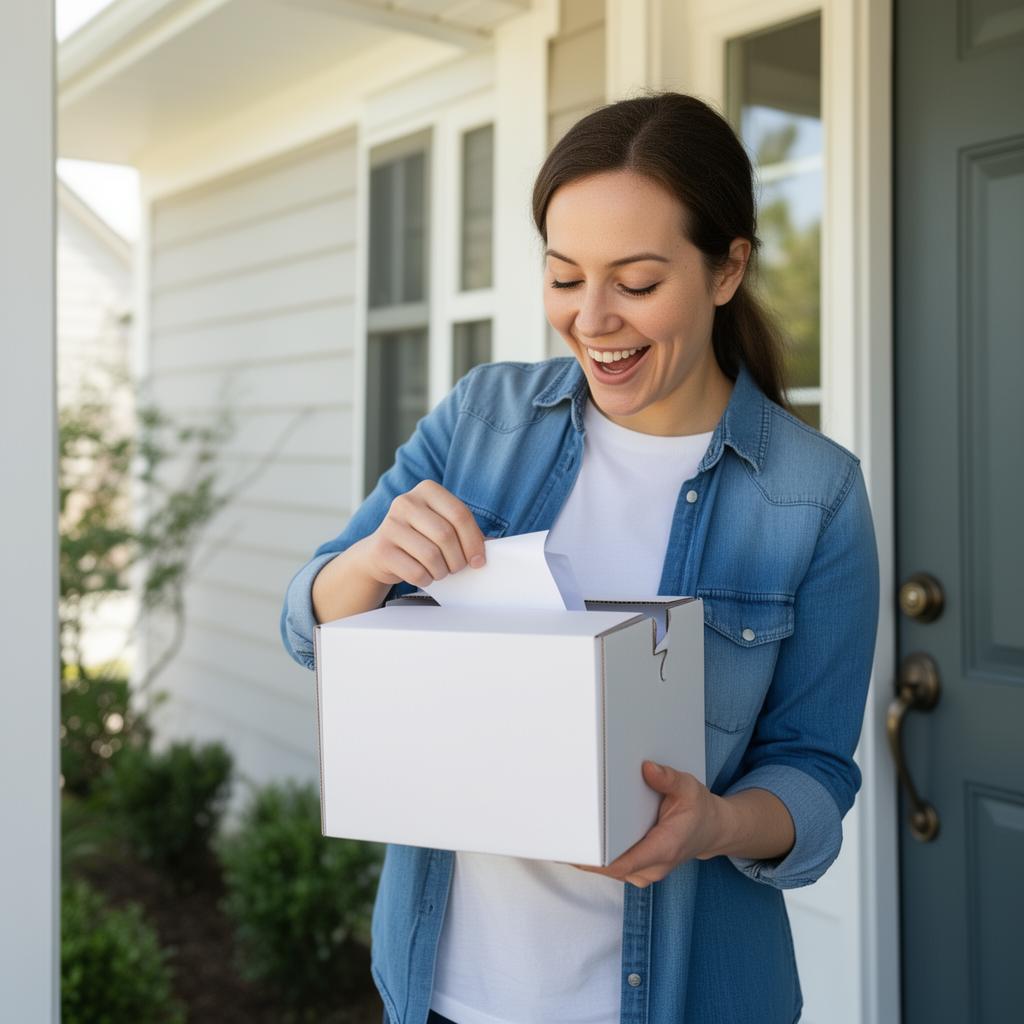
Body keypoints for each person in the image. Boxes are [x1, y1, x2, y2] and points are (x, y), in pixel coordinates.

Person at [280, 92, 880, 1024]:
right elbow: (309, 619)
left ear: (727, 271)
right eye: (565, 277)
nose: (593, 319)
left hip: (686, 996)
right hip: (444, 989)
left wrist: (714, 824)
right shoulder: (483, 419)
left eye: (636, 283)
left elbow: (813, 773)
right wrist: (364, 563)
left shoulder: (815, 496)